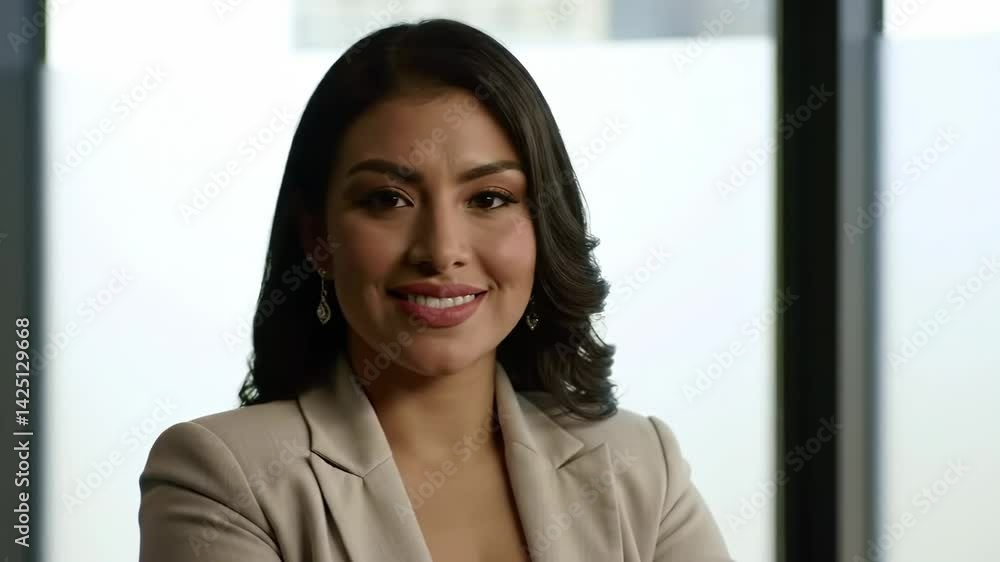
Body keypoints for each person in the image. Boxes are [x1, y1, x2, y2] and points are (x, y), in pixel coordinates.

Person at [137, 18, 732, 562]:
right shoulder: (222, 477)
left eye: (489, 199)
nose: (442, 249)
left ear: (543, 227)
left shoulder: (641, 464)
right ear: (318, 237)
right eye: (388, 199)